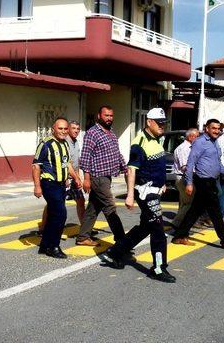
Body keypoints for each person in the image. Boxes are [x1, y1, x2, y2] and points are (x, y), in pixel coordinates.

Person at [100, 108, 175, 283]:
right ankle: (158, 268)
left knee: (146, 227)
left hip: (156, 191)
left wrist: (162, 182)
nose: (162, 126)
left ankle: (116, 251)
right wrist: (130, 195)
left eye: (164, 123)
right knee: (158, 229)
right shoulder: (138, 143)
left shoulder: (159, 139)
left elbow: (156, 166)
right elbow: (132, 170)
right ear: (149, 122)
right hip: (145, 193)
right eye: (159, 123)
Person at [171, 118, 224, 250]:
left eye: (218, 128)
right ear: (206, 129)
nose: (216, 131)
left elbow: (218, 163)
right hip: (203, 181)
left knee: (194, 211)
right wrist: (190, 183)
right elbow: (191, 162)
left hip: (211, 181)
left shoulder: (215, 143)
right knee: (215, 212)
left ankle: (179, 236)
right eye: (213, 128)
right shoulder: (200, 143)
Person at [77, 106, 128, 246]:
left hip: (108, 176)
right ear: (99, 116)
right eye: (106, 115)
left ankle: (83, 237)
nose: (109, 118)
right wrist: (86, 179)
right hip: (97, 177)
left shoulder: (111, 132)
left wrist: (125, 168)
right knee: (110, 207)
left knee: (93, 207)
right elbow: (85, 157)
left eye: (111, 115)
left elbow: (116, 153)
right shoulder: (92, 133)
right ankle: (121, 241)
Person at [32, 117, 81, 259]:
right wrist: (37, 186)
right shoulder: (45, 144)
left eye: (66, 129)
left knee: (54, 214)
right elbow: (36, 166)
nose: (63, 131)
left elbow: (67, 164)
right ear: (53, 128)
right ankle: (54, 246)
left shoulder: (65, 144)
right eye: (60, 128)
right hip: (49, 183)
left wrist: (76, 178)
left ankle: (44, 245)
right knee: (61, 214)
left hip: (61, 185)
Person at [38, 121, 85, 234]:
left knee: (80, 200)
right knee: (55, 204)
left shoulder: (75, 142)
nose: (76, 131)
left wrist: (78, 177)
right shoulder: (62, 141)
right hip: (61, 178)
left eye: (78, 129)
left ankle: (84, 230)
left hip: (73, 177)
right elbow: (62, 162)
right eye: (73, 128)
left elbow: (74, 162)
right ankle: (44, 229)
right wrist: (66, 178)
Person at [171, 128, 199, 227]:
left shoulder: (189, 148)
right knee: (190, 203)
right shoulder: (184, 149)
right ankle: (176, 223)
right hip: (184, 178)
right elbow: (185, 167)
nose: (198, 139)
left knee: (184, 203)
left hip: (185, 177)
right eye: (197, 136)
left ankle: (185, 222)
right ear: (191, 137)